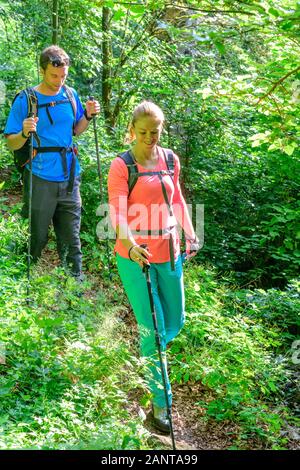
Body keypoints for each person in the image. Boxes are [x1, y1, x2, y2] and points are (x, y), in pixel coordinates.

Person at [108, 100, 199, 433]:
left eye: (154, 131)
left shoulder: (170, 159)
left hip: (170, 251)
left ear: (162, 128)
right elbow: (117, 211)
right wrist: (130, 245)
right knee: (155, 331)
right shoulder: (122, 165)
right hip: (137, 258)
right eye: (143, 132)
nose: (149, 137)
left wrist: (190, 234)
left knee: (176, 321)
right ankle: (161, 406)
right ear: (133, 130)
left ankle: (152, 352)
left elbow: (176, 199)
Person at [4, 45, 100, 279]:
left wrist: (87, 116)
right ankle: (20, 282)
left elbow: (76, 130)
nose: (58, 81)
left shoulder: (70, 94)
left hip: (69, 177)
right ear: (42, 70)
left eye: (63, 76)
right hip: (39, 176)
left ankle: (75, 290)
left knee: (71, 238)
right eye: (53, 75)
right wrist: (24, 132)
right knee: (35, 236)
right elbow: (11, 143)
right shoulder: (26, 99)